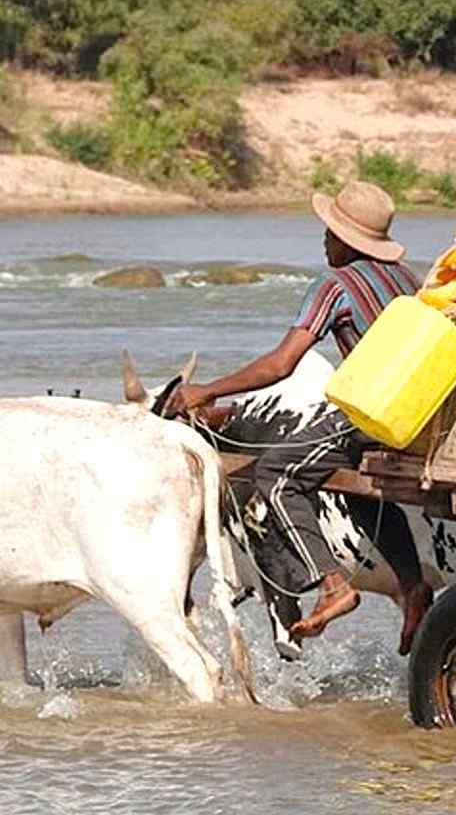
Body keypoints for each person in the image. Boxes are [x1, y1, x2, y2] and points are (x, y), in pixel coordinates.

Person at [169, 180, 434, 653]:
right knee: (356, 487)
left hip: (373, 416)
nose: (323, 240)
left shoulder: (334, 287)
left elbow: (280, 365)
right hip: (418, 415)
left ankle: (334, 585)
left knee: (276, 472)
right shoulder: (407, 279)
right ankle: (413, 588)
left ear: (348, 241)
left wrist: (204, 391)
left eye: (329, 233)